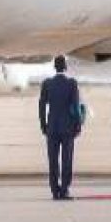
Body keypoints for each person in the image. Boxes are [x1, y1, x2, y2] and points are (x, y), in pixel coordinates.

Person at [38, 55, 81, 201]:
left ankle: (54, 190)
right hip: (67, 127)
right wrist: (78, 124)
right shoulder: (71, 83)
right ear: (65, 67)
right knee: (67, 159)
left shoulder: (47, 84)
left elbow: (42, 106)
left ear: (54, 67)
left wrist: (44, 125)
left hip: (52, 127)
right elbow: (75, 106)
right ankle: (64, 189)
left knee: (53, 160)